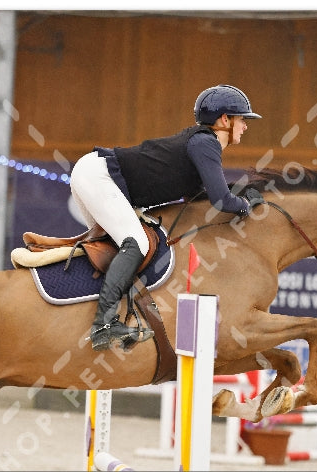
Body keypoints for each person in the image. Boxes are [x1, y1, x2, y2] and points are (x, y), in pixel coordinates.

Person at [70, 84, 263, 351]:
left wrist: (238, 196)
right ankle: (103, 325)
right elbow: (221, 201)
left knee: (120, 252)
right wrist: (245, 205)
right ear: (225, 120)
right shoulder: (206, 143)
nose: (245, 126)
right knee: (137, 243)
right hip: (98, 176)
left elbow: (200, 197)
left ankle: (109, 317)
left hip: (94, 174)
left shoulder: (199, 144)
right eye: (242, 119)